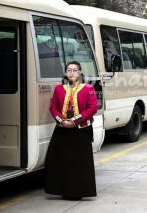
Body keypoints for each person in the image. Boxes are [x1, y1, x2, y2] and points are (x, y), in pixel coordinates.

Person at [45, 61, 98, 200]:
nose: (72, 73)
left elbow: (92, 108)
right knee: (60, 160)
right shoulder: (59, 89)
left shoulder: (88, 88)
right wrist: (62, 121)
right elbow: (53, 107)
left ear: (80, 72)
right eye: (69, 70)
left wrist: (75, 121)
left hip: (81, 129)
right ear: (65, 73)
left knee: (79, 162)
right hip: (62, 128)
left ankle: (78, 192)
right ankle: (62, 190)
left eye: (75, 70)